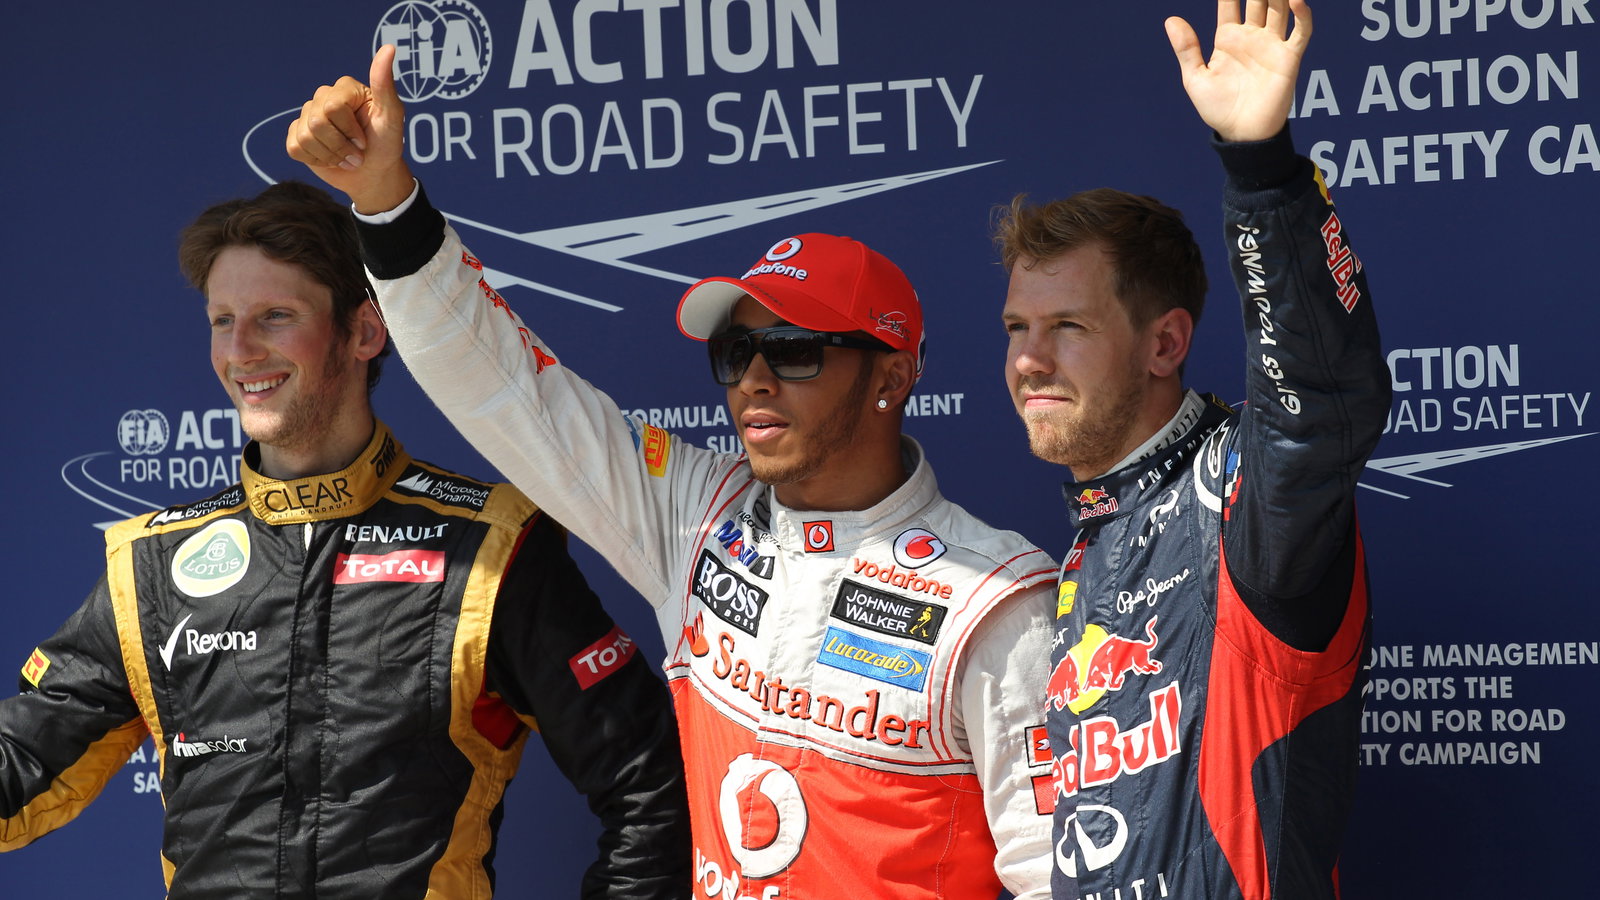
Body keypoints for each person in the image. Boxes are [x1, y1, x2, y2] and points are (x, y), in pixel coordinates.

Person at [284, 48, 1060, 900]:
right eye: (737, 351)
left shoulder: (996, 601)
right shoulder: (698, 514)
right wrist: (386, 204)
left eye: (795, 351)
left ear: (891, 377)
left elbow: (1051, 875)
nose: (756, 379)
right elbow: (508, 391)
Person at [0, 182, 691, 899]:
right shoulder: (152, 566)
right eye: (221, 320)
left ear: (364, 331)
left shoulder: (488, 548)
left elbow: (653, 788)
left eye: (275, 316)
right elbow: (19, 768)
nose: (240, 351)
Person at [996, 2, 1390, 897]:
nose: (1028, 358)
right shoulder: (1089, 539)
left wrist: (1262, 170)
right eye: (1017, 326)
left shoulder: (1235, 491)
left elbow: (1321, 408)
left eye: (1068, 326)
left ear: (1165, 344)